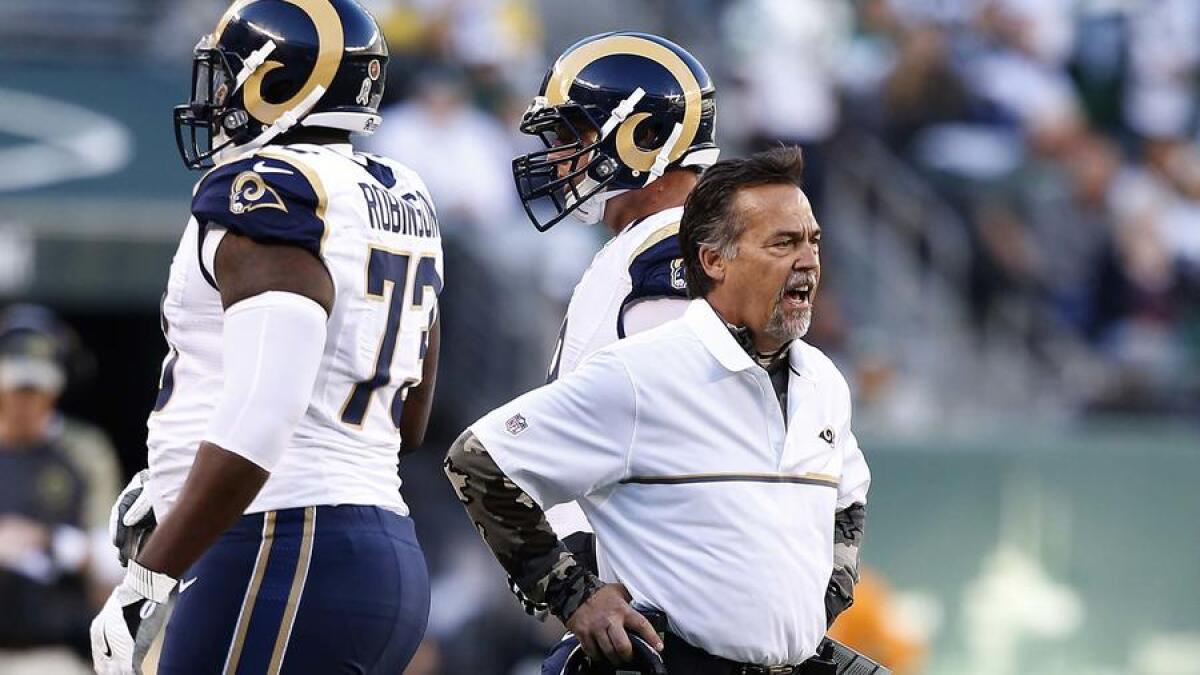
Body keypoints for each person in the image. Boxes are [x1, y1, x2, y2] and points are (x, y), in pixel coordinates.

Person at [89, 1, 443, 673]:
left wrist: (149, 578)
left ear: (276, 83)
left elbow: (266, 414)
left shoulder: (269, 190)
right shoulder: (402, 191)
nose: (217, 96)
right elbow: (411, 414)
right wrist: (179, 480)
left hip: (284, 540)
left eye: (228, 77)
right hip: (382, 547)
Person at [445, 147, 873, 674]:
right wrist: (575, 596)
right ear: (713, 260)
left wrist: (818, 605)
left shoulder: (824, 380)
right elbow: (480, 460)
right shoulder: (641, 372)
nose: (807, 259)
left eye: (812, 241)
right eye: (782, 243)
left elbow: (849, 499)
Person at [506, 28, 719, 624]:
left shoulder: (668, 249)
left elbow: (687, 436)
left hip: (658, 597)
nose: (558, 155)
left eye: (571, 134)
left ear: (645, 135)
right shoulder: (655, 243)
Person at [0, 307, 122, 675]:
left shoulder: (83, 451)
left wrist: (50, 543)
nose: (26, 401)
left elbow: (115, 559)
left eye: (37, 389)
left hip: (50, 651)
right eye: (17, 388)